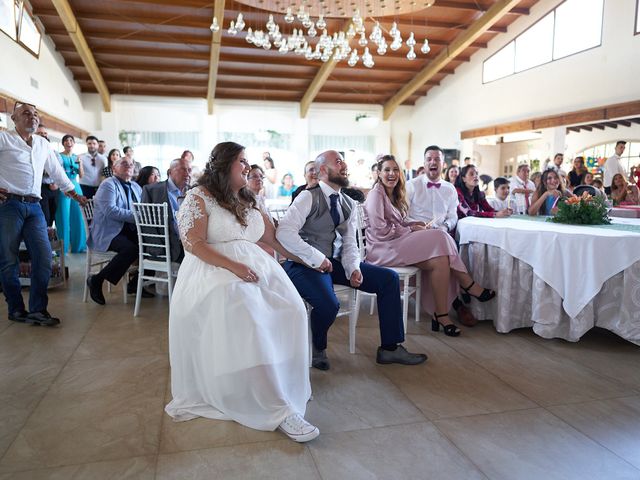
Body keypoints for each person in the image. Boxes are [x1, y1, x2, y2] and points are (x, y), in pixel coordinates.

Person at [165, 141, 319, 443]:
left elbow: (275, 240)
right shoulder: (200, 196)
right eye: (241, 161)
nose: (247, 166)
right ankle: (278, 408)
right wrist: (233, 267)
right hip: (211, 270)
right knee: (246, 308)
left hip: (255, 267)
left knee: (292, 307)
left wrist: (312, 259)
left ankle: (278, 382)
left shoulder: (248, 197)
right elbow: (193, 244)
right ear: (224, 165)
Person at [277, 150, 428, 370]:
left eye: (343, 161)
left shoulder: (347, 202)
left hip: (333, 263)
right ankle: (317, 346)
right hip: (302, 263)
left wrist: (353, 268)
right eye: (337, 162)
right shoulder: (308, 197)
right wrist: (316, 258)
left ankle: (390, 348)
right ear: (322, 170)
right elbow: (284, 233)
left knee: (388, 279)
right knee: (329, 305)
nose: (344, 165)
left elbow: (349, 243)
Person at [364, 156, 495, 336]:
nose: (392, 174)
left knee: (440, 260)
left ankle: (441, 315)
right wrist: (411, 231)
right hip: (382, 248)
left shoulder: (392, 193)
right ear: (378, 173)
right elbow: (380, 230)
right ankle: (468, 283)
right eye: (387, 170)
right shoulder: (376, 193)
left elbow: (398, 222)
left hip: (394, 243)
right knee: (440, 236)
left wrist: (412, 224)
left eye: (395, 170)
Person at [0, 101, 85, 326]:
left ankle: (38, 309)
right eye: (26, 113)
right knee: (8, 260)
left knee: (44, 257)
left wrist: (73, 194)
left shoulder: (42, 144)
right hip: (9, 205)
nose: (33, 117)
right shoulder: (4, 138)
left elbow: (56, 172)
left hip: (34, 207)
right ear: (14, 118)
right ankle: (16, 308)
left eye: (36, 114)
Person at [406, 145, 477, 326]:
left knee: (442, 242)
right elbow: (402, 215)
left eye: (436, 159)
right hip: (415, 237)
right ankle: (467, 285)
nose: (433, 162)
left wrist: (445, 226)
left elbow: (453, 216)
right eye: (429, 159)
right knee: (442, 239)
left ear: (442, 164)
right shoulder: (411, 185)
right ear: (424, 163)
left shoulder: (450, 189)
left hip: (439, 238)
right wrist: (417, 226)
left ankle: (442, 313)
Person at [85, 157, 152, 305]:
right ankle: (97, 279)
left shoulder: (135, 186)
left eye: (131, 164)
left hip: (128, 229)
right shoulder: (108, 184)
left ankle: (135, 284)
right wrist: (138, 217)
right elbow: (110, 210)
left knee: (153, 244)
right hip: (108, 231)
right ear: (114, 168)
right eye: (124, 164)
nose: (129, 166)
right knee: (131, 249)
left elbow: (142, 207)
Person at [142, 157, 192, 263]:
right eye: (183, 169)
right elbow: (146, 223)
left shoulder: (193, 191)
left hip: (192, 243)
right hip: (169, 247)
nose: (187, 174)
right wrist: (158, 248)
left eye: (189, 170)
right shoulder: (152, 190)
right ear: (170, 172)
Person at [55, 134, 87, 253]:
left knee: (78, 216)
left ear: (74, 143)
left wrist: (80, 164)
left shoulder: (77, 157)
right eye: (66, 140)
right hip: (64, 186)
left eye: (71, 140)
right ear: (63, 143)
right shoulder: (58, 156)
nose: (69, 142)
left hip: (76, 185)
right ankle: (62, 248)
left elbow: (82, 175)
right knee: (63, 216)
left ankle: (79, 246)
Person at [35, 125, 58, 227]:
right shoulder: (33, 152)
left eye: (45, 133)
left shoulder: (55, 153)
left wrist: (56, 183)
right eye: (40, 133)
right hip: (41, 187)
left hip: (54, 187)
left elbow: (59, 169)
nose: (43, 136)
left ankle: (52, 236)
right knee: (45, 215)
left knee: (54, 214)